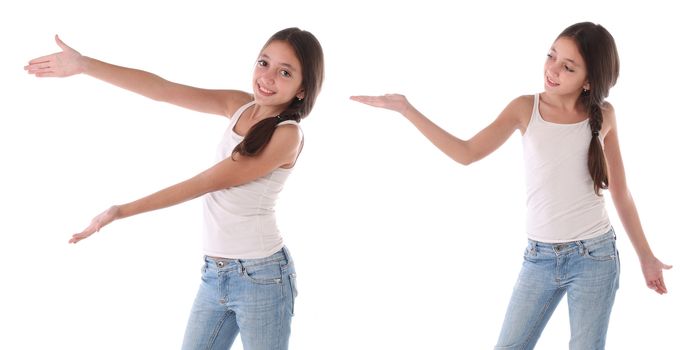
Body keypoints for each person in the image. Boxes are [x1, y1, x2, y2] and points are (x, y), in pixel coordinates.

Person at [351, 22, 671, 349]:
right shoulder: (525, 108)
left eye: (568, 67)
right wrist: (406, 109)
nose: (553, 69)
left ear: (589, 80)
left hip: (595, 255)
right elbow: (467, 152)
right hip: (539, 257)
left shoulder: (605, 115)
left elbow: (621, 192)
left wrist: (646, 256)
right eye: (551, 56)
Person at [25, 27, 324, 350]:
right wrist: (86, 65)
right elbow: (162, 89)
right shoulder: (239, 105)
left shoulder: (287, 135)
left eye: (284, 72)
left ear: (302, 89)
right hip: (216, 272)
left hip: (262, 277)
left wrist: (120, 210)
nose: (267, 77)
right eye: (264, 63)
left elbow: (204, 183)